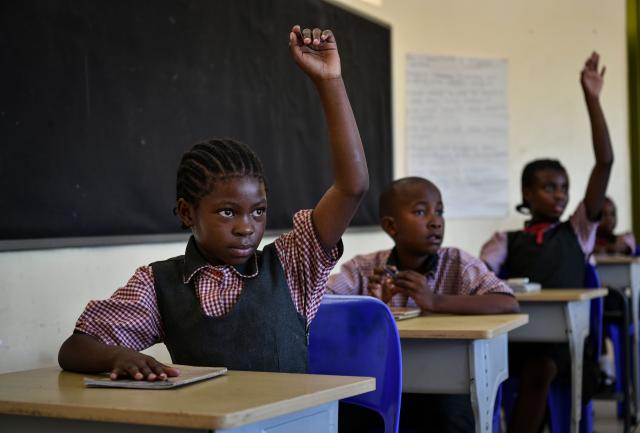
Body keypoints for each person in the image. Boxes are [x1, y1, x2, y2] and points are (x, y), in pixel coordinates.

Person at [58, 24, 369, 381]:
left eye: (258, 212)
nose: (246, 228)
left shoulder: (293, 263)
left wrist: (329, 81)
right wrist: (116, 358)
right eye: (227, 212)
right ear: (188, 212)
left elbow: (353, 187)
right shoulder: (158, 284)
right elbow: (75, 348)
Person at [479, 52, 613, 433]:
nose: (559, 195)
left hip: (566, 348)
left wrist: (592, 101)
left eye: (564, 188)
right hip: (516, 337)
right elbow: (482, 276)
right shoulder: (506, 239)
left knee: (540, 369)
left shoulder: (579, 231)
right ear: (527, 192)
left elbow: (604, 164)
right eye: (548, 187)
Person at [328, 176, 518, 433]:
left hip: (446, 383)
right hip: (382, 383)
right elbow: (322, 304)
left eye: (439, 211)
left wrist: (435, 301)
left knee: (450, 414)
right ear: (390, 226)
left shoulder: (458, 263)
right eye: (421, 211)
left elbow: (507, 302)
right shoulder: (365, 268)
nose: (435, 221)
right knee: (348, 412)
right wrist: (373, 307)